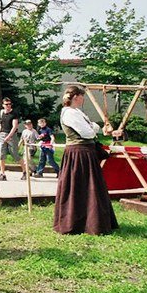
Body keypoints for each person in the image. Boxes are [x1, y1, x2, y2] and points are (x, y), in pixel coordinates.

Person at [53, 85, 119, 236]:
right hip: (78, 154)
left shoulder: (77, 112)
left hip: (85, 152)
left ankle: (93, 222)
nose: (83, 99)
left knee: (91, 188)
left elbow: (90, 129)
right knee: (79, 188)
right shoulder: (69, 113)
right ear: (76, 97)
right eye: (82, 96)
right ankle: (76, 223)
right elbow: (88, 132)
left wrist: (93, 127)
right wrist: (94, 127)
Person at [0, 97, 21, 181]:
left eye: (10, 104)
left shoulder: (14, 114)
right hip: (3, 134)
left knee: (15, 155)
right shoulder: (1, 112)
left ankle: (25, 171)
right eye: (7, 104)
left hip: (11, 135)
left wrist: (8, 137)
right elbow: (0, 123)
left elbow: (14, 127)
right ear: (3, 105)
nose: (8, 106)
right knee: (1, 155)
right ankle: (2, 174)